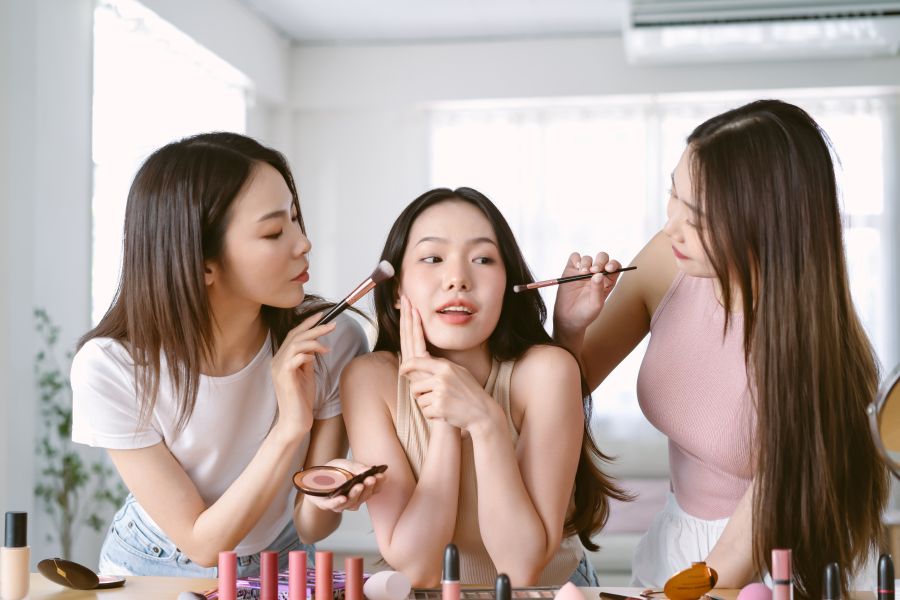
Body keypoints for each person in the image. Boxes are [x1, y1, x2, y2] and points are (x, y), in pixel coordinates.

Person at [551, 100, 888, 599]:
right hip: (676, 541)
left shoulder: (816, 365)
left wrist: (675, 592)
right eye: (673, 195)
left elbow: (727, 565)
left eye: (699, 216)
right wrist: (569, 330)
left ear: (765, 223)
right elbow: (559, 391)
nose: (671, 227)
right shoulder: (671, 263)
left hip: (776, 567)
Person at [70, 132, 382, 577]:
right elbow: (202, 544)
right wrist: (291, 427)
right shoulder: (112, 368)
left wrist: (335, 490)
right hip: (155, 567)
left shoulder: (332, 340)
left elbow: (313, 525)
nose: (302, 243)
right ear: (201, 262)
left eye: (295, 219)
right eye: (274, 231)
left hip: (285, 561)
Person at [340, 187, 630, 587]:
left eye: (482, 259)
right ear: (395, 291)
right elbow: (417, 566)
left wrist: (485, 421)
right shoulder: (368, 381)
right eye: (432, 258)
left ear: (508, 285)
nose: (458, 278)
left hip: (548, 592)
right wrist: (444, 418)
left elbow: (521, 567)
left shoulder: (548, 372)